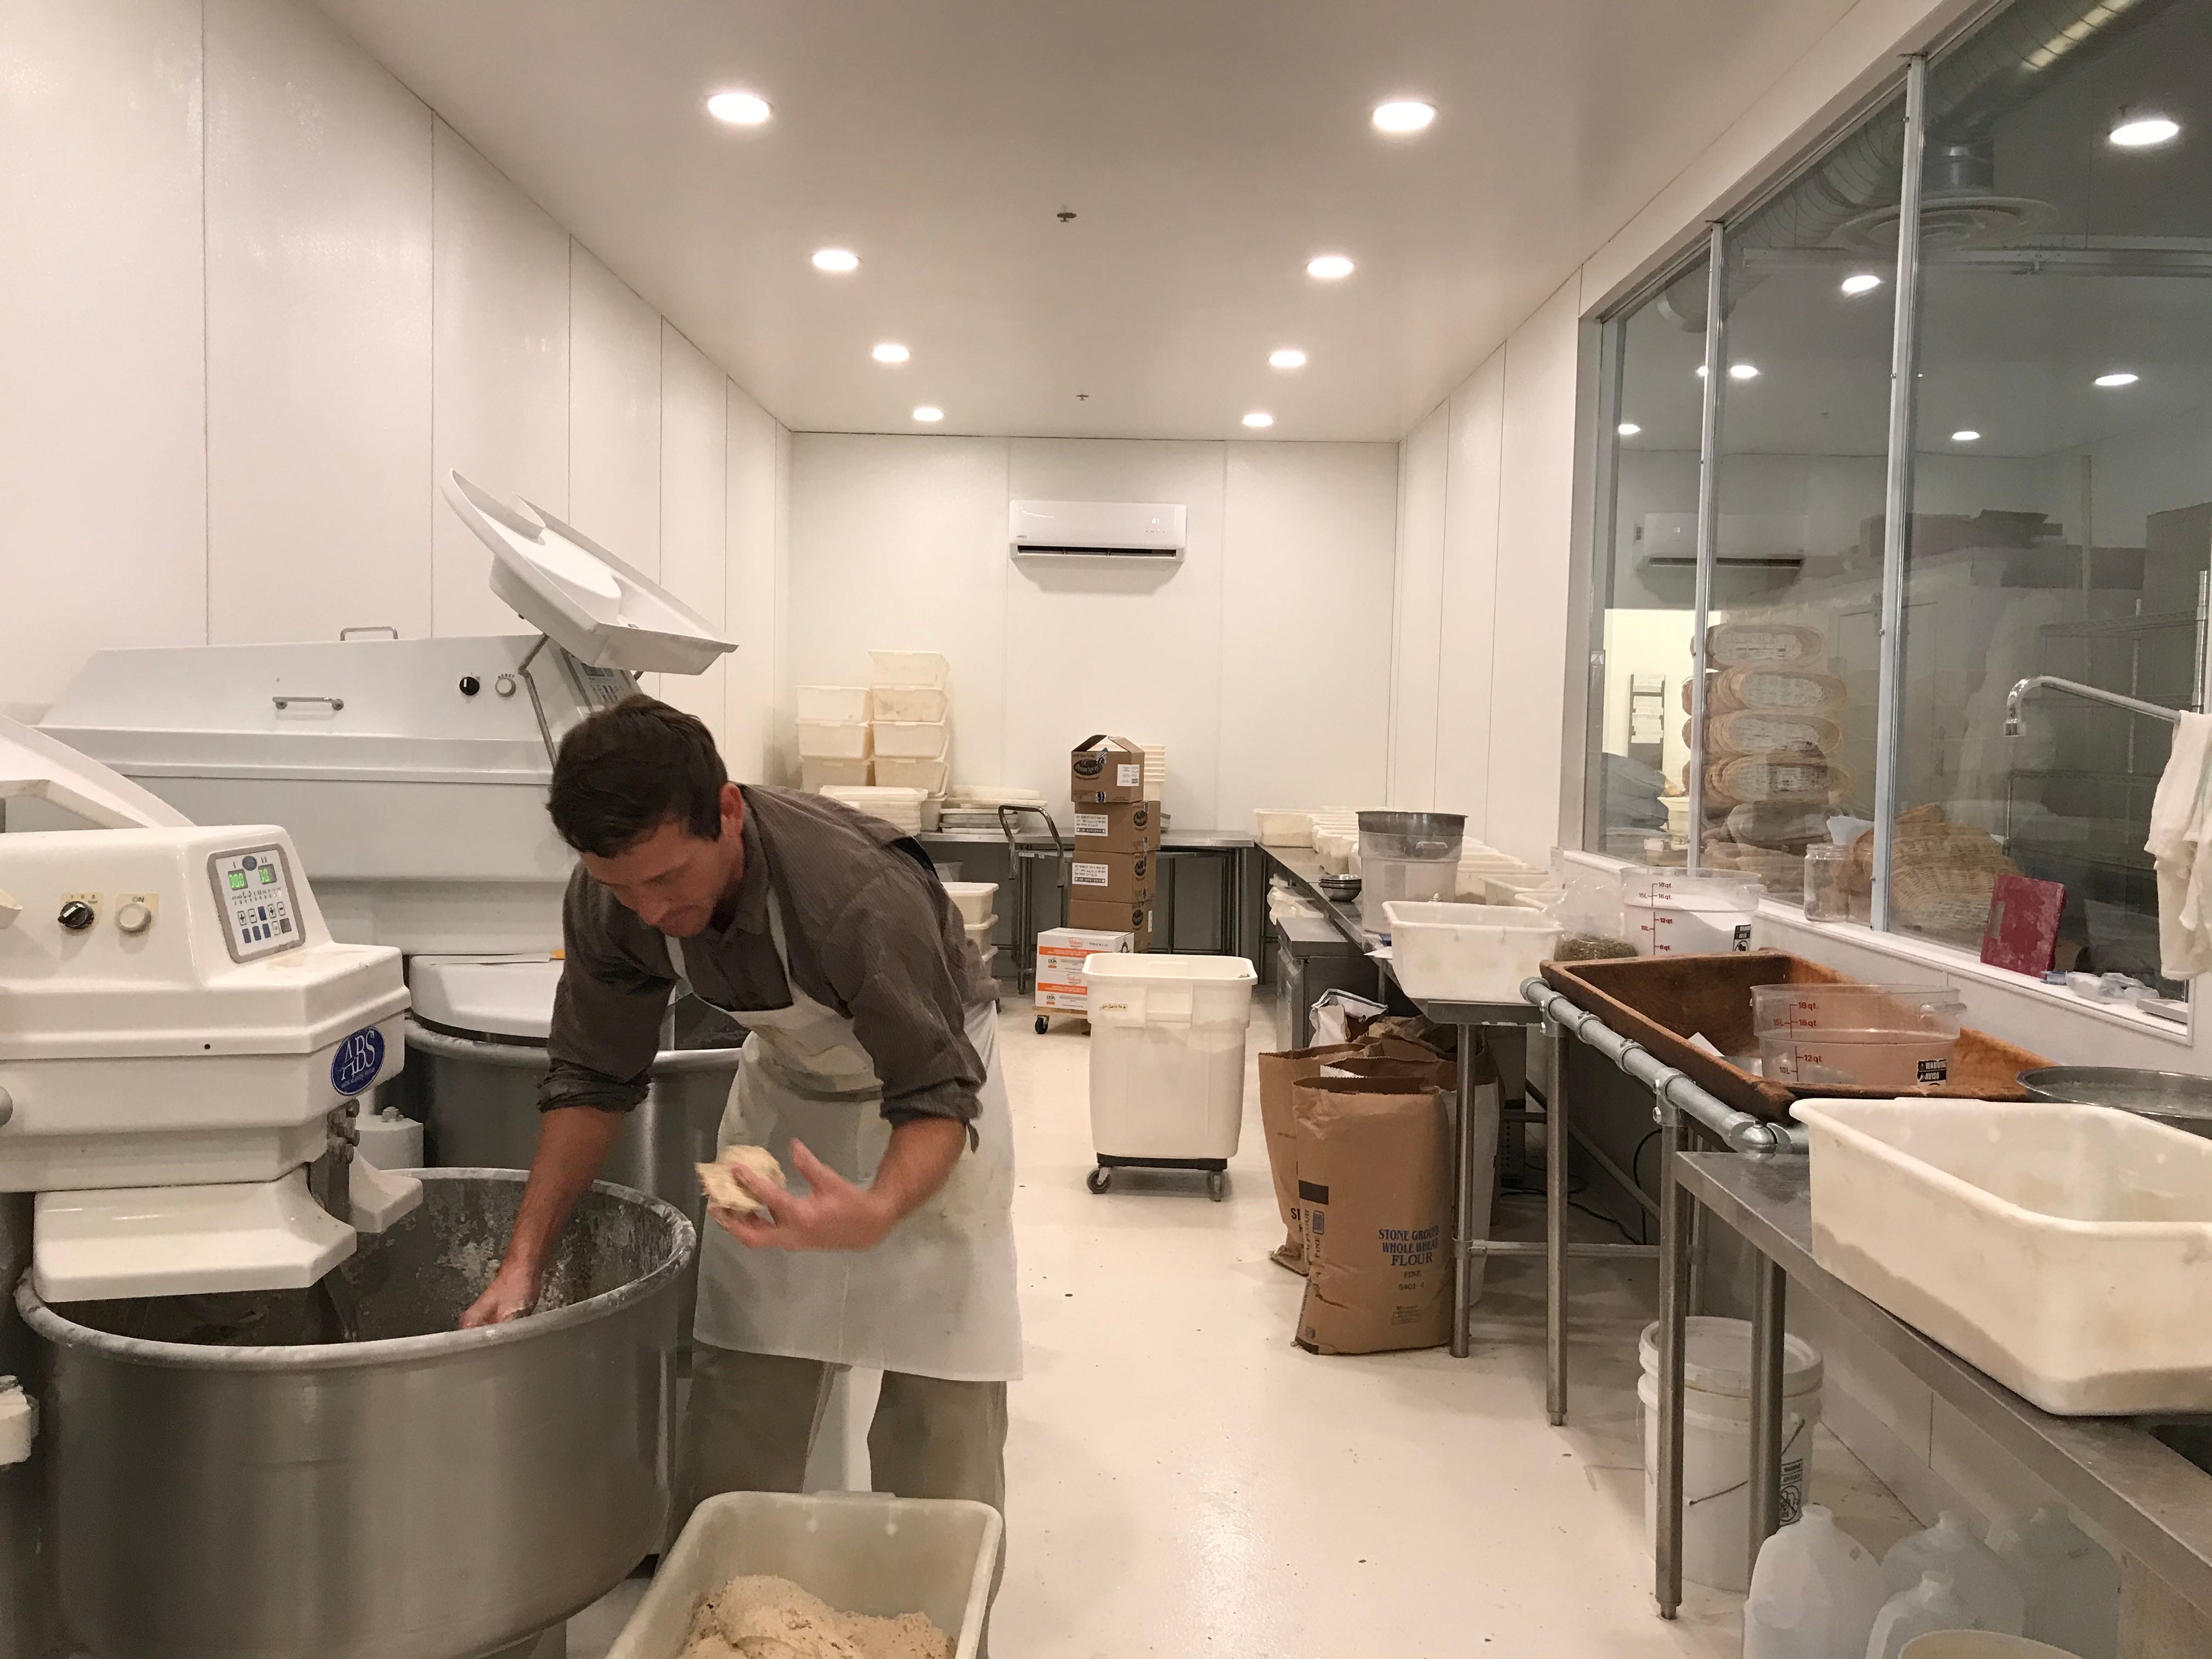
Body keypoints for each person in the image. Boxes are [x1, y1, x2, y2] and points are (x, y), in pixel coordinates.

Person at [462, 694, 1020, 1540]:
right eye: (621, 887)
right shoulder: (613, 899)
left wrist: (877, 1209)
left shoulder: (855, 895)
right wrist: (523, 1262)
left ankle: (935, 1592)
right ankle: (718, 1589)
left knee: (941, 1407)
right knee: (742, 1377)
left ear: (727, 811)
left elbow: (937, 1093)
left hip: (932, 1102)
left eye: (667, 879)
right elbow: (590, 1079)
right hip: (782, 1092)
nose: (649, 911)